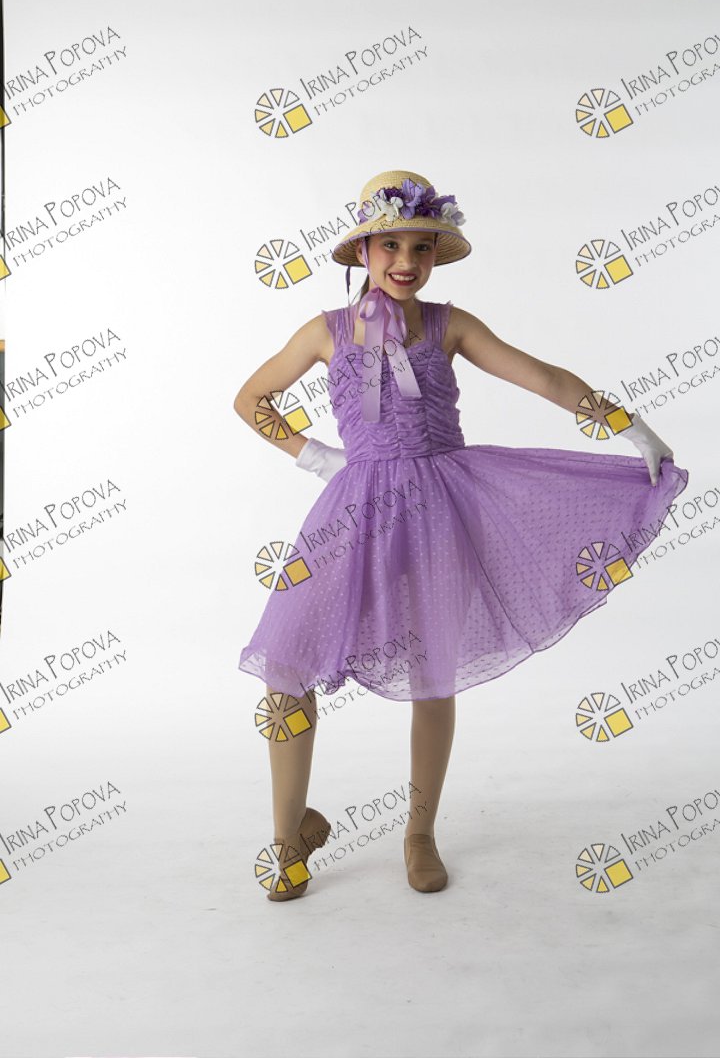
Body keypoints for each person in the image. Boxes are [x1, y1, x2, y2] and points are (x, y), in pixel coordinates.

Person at [233, 168, 689, 902]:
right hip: (353, 512)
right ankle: (290, 835)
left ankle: (419, 832)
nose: (406, 260)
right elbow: (251, 397)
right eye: (391, 245)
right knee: (285, 663)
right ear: (363, 251)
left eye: (422, 246)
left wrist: (630, 426)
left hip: (440, 509)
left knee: (431, 669)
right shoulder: (326, 332)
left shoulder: (451, 325)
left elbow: (544, 377)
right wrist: (316, 455)